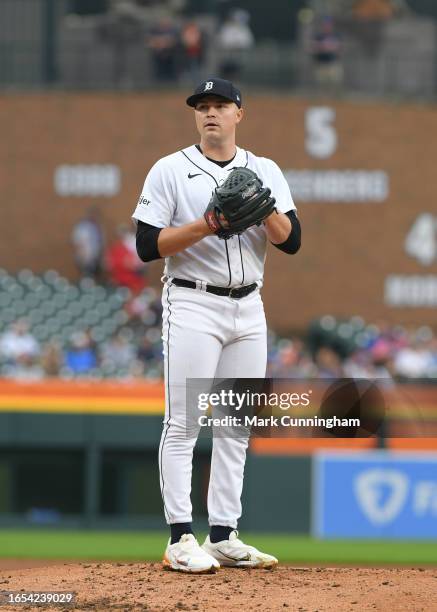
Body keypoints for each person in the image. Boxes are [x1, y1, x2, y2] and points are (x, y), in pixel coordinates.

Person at [132, 78, 301, 573]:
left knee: (236, 426)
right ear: (195, 116)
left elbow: (291, 241)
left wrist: (264, 207)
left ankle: (224, 534)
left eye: (220, 105)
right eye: (202, 106)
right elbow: (146, 245)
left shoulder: (264, 169)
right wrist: (208, 223)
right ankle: (180, 536)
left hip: (250, 306)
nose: (210, 113)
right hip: (193, 302)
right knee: (183, 422)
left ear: (238, 115)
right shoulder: (169, 169)